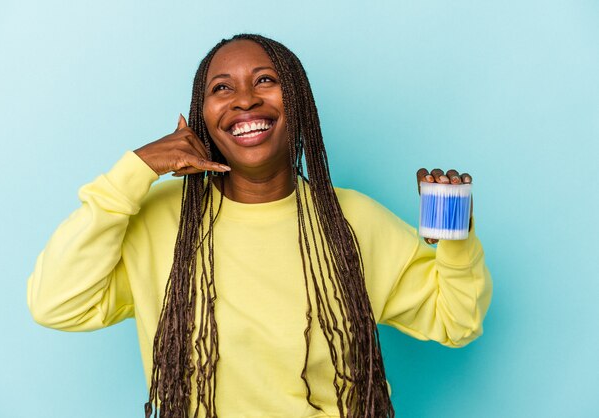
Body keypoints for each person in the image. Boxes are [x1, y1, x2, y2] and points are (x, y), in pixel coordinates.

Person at [27, 33, 492, 418]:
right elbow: (56, 304)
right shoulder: (160, 220)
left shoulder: (352, 219)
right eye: (222, 88)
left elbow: (455, 321)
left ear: (299, 102)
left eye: (265, 81)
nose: (245, 100)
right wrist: (135, 170)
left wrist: (455, 237)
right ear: (202, 116)